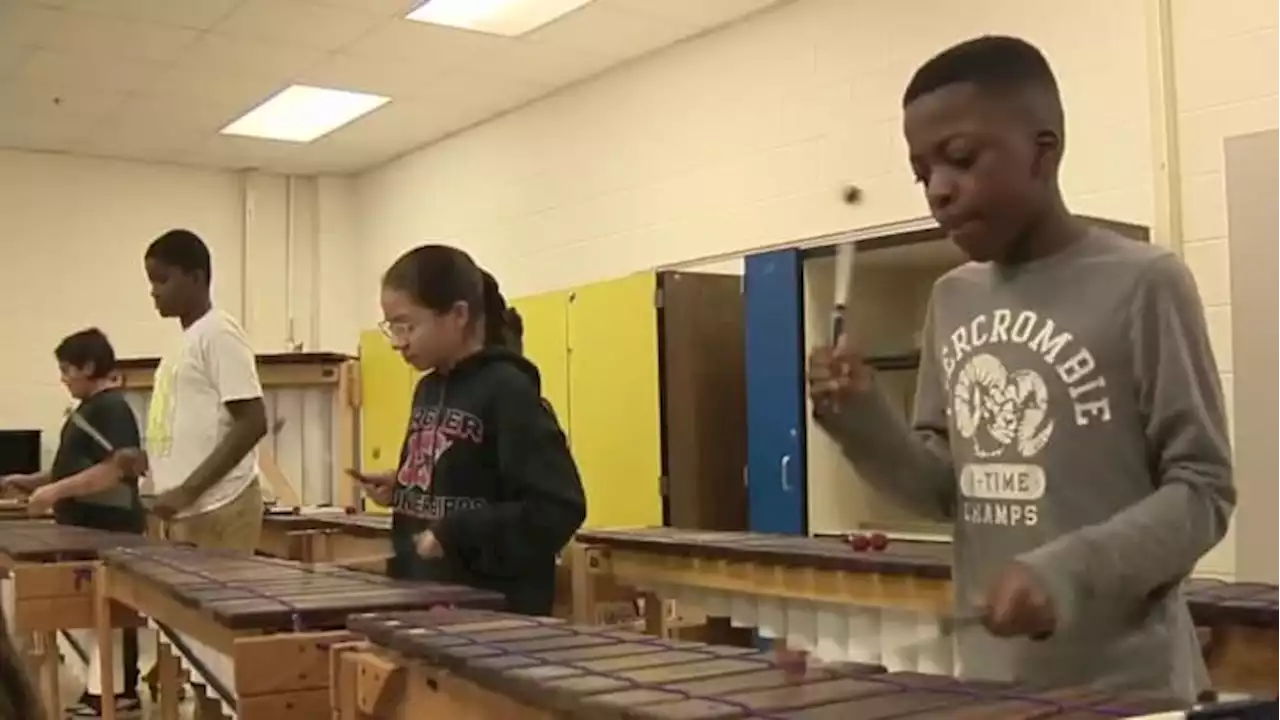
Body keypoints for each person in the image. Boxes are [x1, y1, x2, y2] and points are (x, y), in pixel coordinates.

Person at [807, 36, 1232, 701]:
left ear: (1044, 150)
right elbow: (945, 488)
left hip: (1127, 687)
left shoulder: (1146, 283)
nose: (940, 191)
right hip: (993, 683)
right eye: (923, 173)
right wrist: (863, 423)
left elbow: (1204, 491)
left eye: (961, 159)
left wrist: (1065, 573)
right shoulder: (953, 298)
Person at [350, 245, 585, 616]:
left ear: (458, 315)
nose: (398, 342)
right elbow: (471, 480)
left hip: (492, 620)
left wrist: (456, 531)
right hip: (423, 601)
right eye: (391, 328)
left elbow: (557, 508)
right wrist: (405, 487)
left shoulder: (508, 390)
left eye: (406, 325)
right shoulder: (426, 389)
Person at [1, 329, 144, 718]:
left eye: (67, 369)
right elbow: (75, 467)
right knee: (90, 613)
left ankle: (116, 693)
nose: (63, 377)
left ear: (89, 367)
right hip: (87, 526)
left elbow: (116, 469)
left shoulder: (111, 408)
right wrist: (30, 482)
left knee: (110, 612)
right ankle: (102, 690)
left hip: (110, 527)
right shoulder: (89, 410)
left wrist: (53, 493)